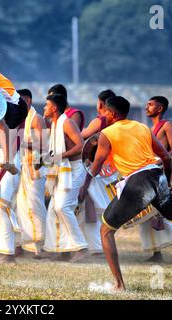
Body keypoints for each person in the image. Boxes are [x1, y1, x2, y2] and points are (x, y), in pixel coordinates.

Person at [89, 96, 172, 291]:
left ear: (112, 114)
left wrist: (90, 158)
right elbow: (165, 157)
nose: (103, 114)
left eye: (105, 111)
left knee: (106, 232)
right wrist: (166, 182)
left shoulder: (106, 133)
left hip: (138, 181)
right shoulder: (142, 127)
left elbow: (96, 168)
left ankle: (119, 284)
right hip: (157, 176)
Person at [42, 94, 88, 262]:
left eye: (47, 105)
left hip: (74, 170)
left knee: (62, 207)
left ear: (54, 108)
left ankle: (81, 247)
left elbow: (80, 145)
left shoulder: (67, 122)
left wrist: (60, 156)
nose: (44, 108)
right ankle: (61, 250)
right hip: (61, 170)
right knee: (53, 210)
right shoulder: (53, 124)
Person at [140, 96, 172, 263]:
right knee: (147, 213)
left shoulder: (167, 125)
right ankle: (156, 253)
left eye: (150, 104)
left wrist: (159, 161)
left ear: (160, 108)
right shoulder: (148, 129)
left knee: (168, 210)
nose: (147, 107)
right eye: (147, 104)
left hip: (164, 173)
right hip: (150, 173)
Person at [77, 89, 118, 255]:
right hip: (111, 167)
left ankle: (98, 247)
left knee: (92, 206)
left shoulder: (100, 120)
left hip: (95, 167)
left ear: (100, 103)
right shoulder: (116, 122)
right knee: (101, 206)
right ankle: (97, 246)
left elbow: (81, 137)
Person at [15, 89, 48, 257]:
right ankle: (27, 246)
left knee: (36, 207)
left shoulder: (37, 119)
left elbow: (43, 146)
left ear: (27, 100)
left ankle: (42, 246)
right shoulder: (20, 117)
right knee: (21, 207)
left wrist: (20, 142)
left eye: (20, 100)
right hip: (22, 168)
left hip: (35, 170)